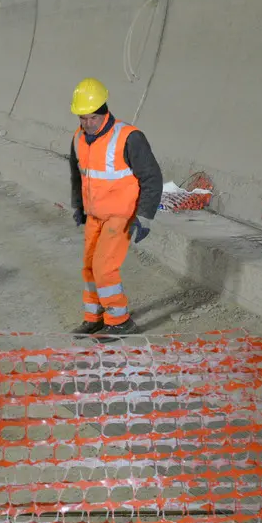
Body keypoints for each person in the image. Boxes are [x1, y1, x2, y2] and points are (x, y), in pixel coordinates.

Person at [68, 77, 162, 335]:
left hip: (120, 215)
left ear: (104, 111)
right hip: (95, 215)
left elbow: (152, 177)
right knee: (88, 266)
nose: (87, 124)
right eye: (82, 118)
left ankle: (120, 321)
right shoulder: (78, 138)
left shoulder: (129, 138)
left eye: (92, 118)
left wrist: (145, 216)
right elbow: (78, 175)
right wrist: (79, 205)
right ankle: (94, 316)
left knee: (104, 267)